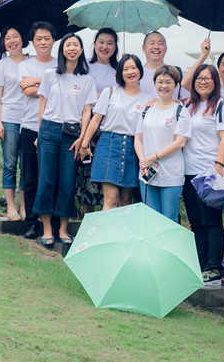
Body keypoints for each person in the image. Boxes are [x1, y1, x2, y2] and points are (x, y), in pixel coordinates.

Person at [34, 33, 97, 246]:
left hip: (72, 134)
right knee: (46, 180)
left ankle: (62, 229)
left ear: (81, 50)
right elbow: (42, 105)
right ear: (62, 49)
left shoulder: (86, 79)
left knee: (68, 182)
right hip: (49, 130)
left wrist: (82, 138)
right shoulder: (50, 74)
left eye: (76, 45)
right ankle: (46, 228)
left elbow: (87, 111)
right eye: (68, 44)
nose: (72, 48)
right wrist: (39, 133)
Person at [181, 64, 224, 282]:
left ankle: (213, 266)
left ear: (215, 82)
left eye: (207, 78)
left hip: (209, 172)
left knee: (211, 220)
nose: (202, 82)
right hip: (187, 172)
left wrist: (219, 166)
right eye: (199, 78)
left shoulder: (221, 106)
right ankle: (200, 263)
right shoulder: (188, 106)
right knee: (196, 221)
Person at [80, 54, 146, 210]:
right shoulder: (110, 92)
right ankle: (106, 227)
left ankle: (122, 228)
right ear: (120, 73)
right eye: (126, 69)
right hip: (108, 145)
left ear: (140, 70)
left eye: (134, 68)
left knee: (126, 200)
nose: (130, 72)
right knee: (111, 198)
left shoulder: (147, 99)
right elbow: (96, 120)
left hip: (133, 148)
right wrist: (84, 144)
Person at [134, 65, 191, 223]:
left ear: (175, 85)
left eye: (168, 82)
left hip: (171, 174)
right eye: (160, 82)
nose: (164, 86)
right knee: (151, 220)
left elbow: (180, 142)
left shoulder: (180, 111)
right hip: (147, 172)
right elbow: (138, 137)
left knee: (169, 220)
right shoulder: (147, 109)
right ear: (154, 83)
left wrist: (153, 157)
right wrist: (143, 160)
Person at [17, 22, 57, 240]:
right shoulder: (25, 65)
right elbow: (27, 91)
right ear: (32, 42)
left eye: (47, 38)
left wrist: (37, 82)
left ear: (53, 40)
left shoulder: (60, 63)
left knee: (51, 177)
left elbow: (62, 88)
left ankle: (53, 222)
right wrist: (52, 81)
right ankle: (32, 222)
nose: (43, 42)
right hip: (30, 126)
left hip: (54, 126)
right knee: (30, 177)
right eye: (39, 39)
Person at [75, 28, 118, 216]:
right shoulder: (84, 66)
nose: (105, 47)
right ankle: (86, 223)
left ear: (115, 47)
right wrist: (103, 95)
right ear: (94, 44)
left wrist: (99, 96)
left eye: (110, 43)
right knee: (87, 180)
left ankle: (105, 224)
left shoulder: (120, 70)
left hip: (108, 130)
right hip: (85, 126)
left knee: (107, 181)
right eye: (101, 42)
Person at [0, 26, 30, 221]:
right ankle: (11, 207)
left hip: (30, 119)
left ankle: (24, 207)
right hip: (9, 118)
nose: (12, 41)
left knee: (27, 165)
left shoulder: (32, 62)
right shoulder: (1, 66)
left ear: (23, 39)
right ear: (3, 43)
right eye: (7, 38)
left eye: (15, 36)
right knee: (10, 163)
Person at [138, 31, 183, 101]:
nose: (156, 47)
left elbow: (186, 100)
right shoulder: (136, 74)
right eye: (152, 43)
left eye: (160, 43)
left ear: (166, 48)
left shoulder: (177, 72)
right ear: (143, 48)